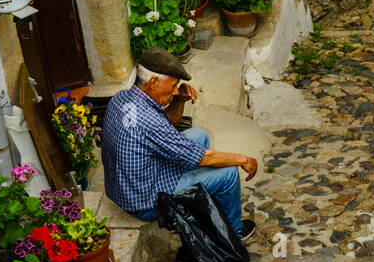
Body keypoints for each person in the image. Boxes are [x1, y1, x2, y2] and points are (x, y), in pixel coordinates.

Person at [101, 47, 257, 240]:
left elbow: (165, 128)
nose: (176, 90)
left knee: (199, 135)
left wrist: (178, 100)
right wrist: (242, 159)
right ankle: (234, 232)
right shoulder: (149, 121)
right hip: (145, 202)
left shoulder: (121, 98)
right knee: (228, 173)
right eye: (173, 85)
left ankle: (204, 203)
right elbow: (202, 157)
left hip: (130, 186)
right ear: (153, 81)